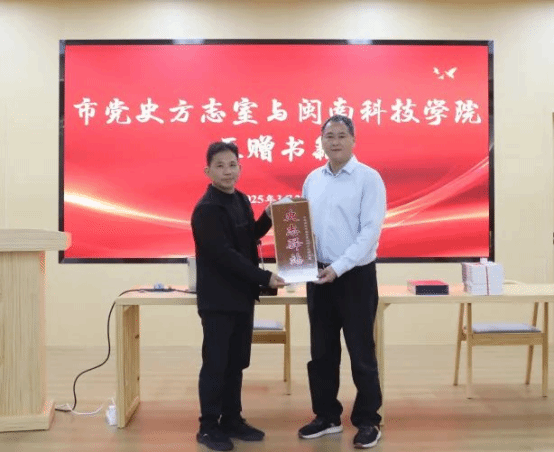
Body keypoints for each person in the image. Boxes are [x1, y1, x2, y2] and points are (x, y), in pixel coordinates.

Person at [298, 115, 387, 449]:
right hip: (318, 276)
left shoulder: (369, 178)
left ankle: (368, 420)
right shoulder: (312, 179)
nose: (334, 142)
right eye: (328, 136)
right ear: (321, 141)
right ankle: (326, 416)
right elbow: (303, 227)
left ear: (353, 140)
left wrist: (338, 267)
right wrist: (300, 265)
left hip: (355, 278)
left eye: (341, 136)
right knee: (321, 352)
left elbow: (369, 232)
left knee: (361, 351)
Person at [191, 141, 285, 451]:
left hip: (242, 297)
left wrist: (268, 216)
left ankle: (231, 419)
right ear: (208, 171)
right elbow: (225, 255)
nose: (227, 171)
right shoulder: (207, 209)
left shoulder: (241, 200)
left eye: (232, 165)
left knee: (236, 363)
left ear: (240, 168)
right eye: (220, 166)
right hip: (218, 301)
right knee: (216, 364)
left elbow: (247, 238)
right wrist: (264, 277)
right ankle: (208, 427)